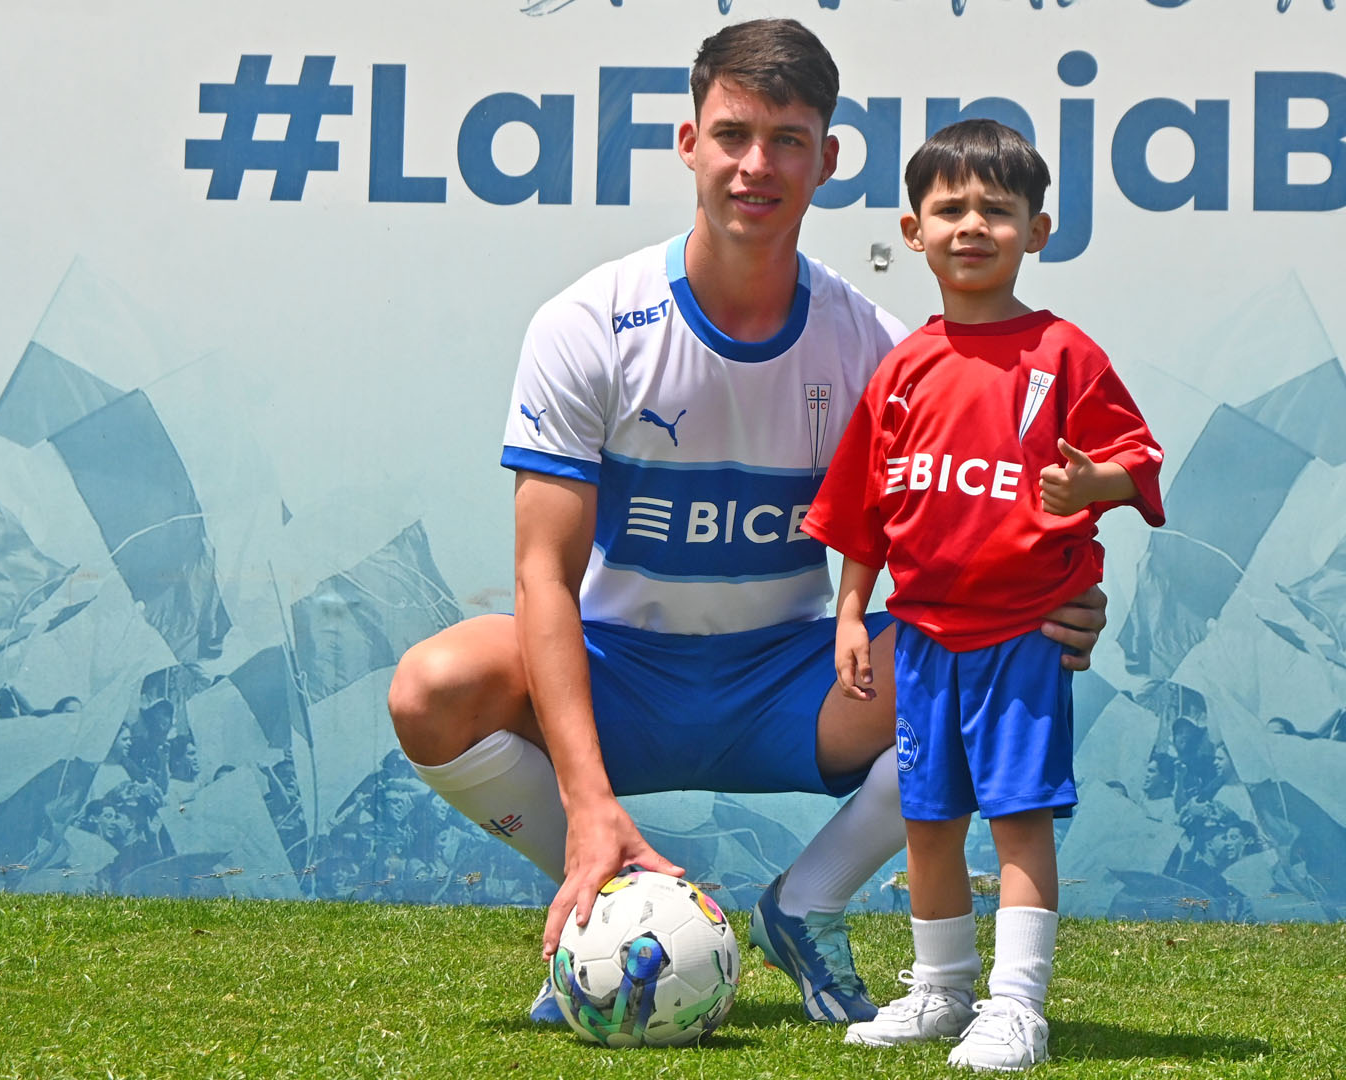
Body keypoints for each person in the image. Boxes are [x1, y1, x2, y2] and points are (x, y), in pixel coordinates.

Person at [383, 19, 1108, 1026]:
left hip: (793, 688)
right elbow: (543, 579)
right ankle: (612, 898)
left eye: (788, 140)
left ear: (830, 159)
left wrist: (1056, 598)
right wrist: (589, 805)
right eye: (732, 135)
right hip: (617, 677)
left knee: (1006, 640)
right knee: (433, 686)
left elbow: (967, 542)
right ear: (689, 144)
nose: (755, 165)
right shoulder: (589, 324)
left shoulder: (875, 349)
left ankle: (803, 904)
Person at [800, 118, 1164, 1070]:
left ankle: (1017, 1007)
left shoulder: (1064, 355)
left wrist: (1097, 486)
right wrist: (849, 613)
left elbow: (1140, 462)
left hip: (1024, 636)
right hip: (920, 639)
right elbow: (863, 510)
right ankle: (940, 991)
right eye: (949, 208)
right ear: (912, 232)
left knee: (1017, 819)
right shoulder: (904, 368)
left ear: (1036, 231)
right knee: (927, 820)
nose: (972, 226)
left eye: (996, 210)